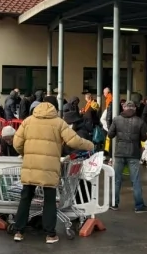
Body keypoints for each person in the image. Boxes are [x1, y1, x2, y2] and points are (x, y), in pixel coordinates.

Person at [12, 97, 94, 244]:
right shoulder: (59, 123)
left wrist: (26, 154)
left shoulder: (28, 121)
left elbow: (16, 143)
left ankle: (18, 231)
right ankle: (50, 234)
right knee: (49, 199)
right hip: (49, 167)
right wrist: (90, 145)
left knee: (26, 197)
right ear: (55, 108)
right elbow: (74, 141)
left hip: (31, 165)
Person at [107, 101, 147, 213]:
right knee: (135, 180)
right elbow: (144, 138)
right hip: (134, 153)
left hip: (119, 152)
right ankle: (139, 206)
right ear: (135, 109)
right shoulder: (139, 121)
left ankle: (114, 204)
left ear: (124, 107)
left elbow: (110, 135)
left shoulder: (116, 119)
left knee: (116, 180)